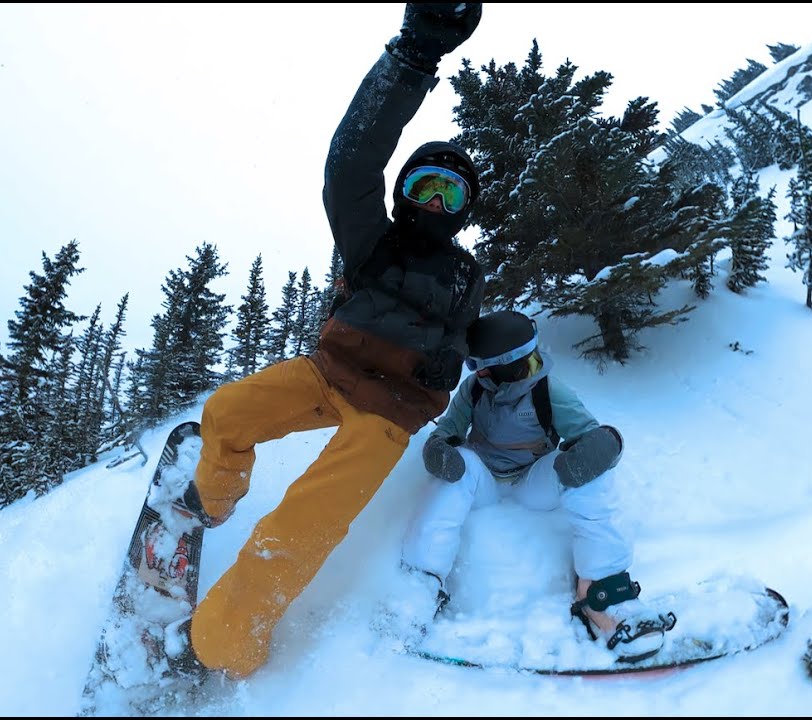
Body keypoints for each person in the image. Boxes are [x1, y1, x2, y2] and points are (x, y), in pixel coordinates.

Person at [164, 3, 488, 681]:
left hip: (389, 413)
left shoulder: (465, 275)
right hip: (327, 373)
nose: (434, 203)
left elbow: (462, 337)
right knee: (228, 411)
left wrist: (450, 359)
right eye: (425, 186)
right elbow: (351, 163)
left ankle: (222, 646)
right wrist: (412, 57)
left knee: (301, 522)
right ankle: (212, 502)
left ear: (464, 211)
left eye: (450, 195)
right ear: (403, 194)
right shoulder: (373, 240)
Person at [394, 309, 675, 663]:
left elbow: (588, 438)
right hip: (485, 481)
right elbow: (449, 430)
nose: (475, 372)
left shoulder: (548, 391)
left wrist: (601, 449)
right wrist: (439, 451)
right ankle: (419, 586)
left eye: (480, 365)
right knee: (458, 467)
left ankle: (602, 593)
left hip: (531, 482)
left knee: (588, 471)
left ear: (505, 364)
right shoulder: (475, 389)